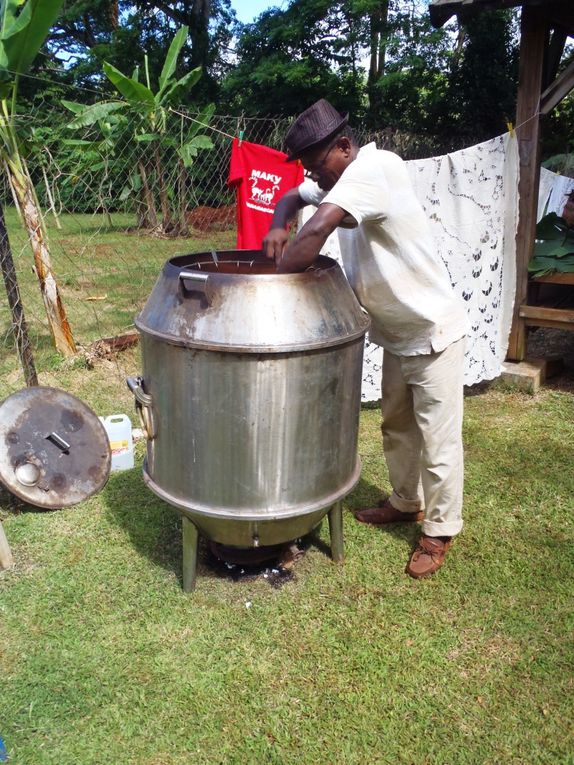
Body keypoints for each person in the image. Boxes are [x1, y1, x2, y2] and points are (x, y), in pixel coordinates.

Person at [263, 99, 468, 578]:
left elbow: (316, 227)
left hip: (432, 329)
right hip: (396, 333)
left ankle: (439, 532)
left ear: (343, 146)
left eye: (319, 166)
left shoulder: (375, 169)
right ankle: (405, 502)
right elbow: (293, 199)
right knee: (397, 427)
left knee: (438, 441)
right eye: (312, 169)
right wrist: (277, 222)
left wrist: (268, 283)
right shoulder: (339, 176)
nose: (318, 178)